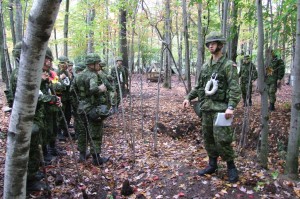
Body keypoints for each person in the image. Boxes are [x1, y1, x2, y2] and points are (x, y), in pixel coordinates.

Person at [182, 31, 241, 183]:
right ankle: (212, 164)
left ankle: (231, 167)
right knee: (208, 138)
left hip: (221, 109)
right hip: (206, 108)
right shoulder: (205, 66)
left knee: (222, 139)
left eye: (213, 43)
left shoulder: (228, 65)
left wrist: (231, 107)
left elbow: (235, 88)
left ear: (220, 45)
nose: (210, 46)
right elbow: (199, 86)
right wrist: (189, 97)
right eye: (209, 44)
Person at [9, 42, 49, 192]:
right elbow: (27, 95)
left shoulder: (25, 71)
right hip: (26, 118)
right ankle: (29, 181)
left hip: (31, 116)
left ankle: (32, 174)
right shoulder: (20, 72)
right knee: (29, 148)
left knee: (33, 148)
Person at [72, 53, 109, 165]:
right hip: (92, 109)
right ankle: (96, 158)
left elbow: (72, 91)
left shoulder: (78, 75)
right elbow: (93, 89)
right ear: (92, 64)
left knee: (82, 133)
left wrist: (77, 105)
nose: (98, 65)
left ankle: (82, 155)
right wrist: (101, 89)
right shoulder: (92, 75)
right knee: (96, 133)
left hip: (81, 109)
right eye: (97, 63)